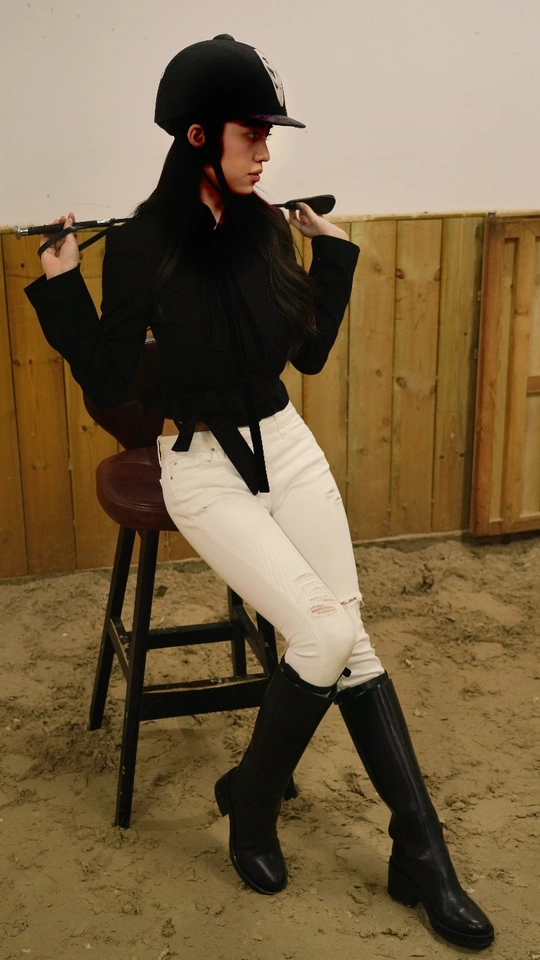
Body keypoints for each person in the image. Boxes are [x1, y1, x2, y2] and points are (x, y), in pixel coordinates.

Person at [24, 35, 494, 950]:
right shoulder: (143, 242)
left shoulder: (265, 226)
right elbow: (114, 382)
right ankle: (251, 804)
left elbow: (306, 356)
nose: (267, 152)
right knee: (323, 633)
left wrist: (334, 257)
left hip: (288, 443)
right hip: (201, 465)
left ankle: (418, 851)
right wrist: (62, 291)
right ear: (200, 137)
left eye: (270, 136)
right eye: (253, 134)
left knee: (348, 638)